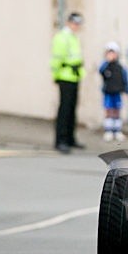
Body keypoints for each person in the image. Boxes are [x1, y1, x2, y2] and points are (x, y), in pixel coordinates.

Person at [50, 12, 86, 153]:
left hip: (74, 76)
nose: (76, 26)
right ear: (69, 22)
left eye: (78, 24)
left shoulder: (73, 37)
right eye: (75, 23)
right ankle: (60, 140)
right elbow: (56, 58)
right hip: (65, 76)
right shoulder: (62, 37)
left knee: (72, 109)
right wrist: (56, 75)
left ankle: (70, 138)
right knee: (64, 109)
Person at [98, 42, 128, 142]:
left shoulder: (120, 67)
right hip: (108, 92)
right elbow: (101, 70)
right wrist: (107, 62)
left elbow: (125, 78)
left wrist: (126, 90)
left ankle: (117, 130)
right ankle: (108, 131)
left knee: (117, 110)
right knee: (108, 110)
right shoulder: (105, 66)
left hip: (117, 93)